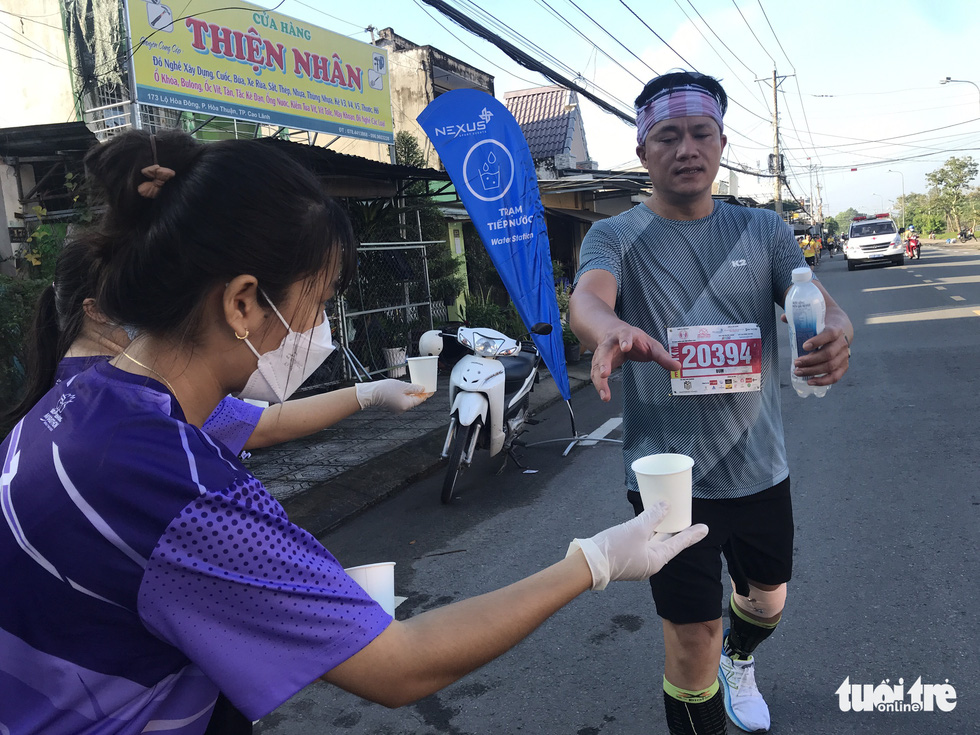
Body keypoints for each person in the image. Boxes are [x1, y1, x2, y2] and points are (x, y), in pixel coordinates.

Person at [0, 128, 708, 735]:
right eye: (320, 301)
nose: (321, 332)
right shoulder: (179, 489)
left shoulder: (85, 396)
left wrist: (367, 397)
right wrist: (593, 561)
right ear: (244, 302)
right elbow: (401, 664)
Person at [569, 71, 853, 735]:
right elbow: (588, 297)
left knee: (767, 603)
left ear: (722, 142)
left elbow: (814, 300)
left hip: (760, 469)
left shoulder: (765, 231)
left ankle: (741, 656)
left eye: (700, 133)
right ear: (644, 153)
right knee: (691, 633)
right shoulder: (615, 235)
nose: (686, 148)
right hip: (668, 477)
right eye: (668, 136)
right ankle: (712, 665)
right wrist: (606, 327)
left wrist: (836, 330)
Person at [1, 236, 429, 452]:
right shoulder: (136, 407)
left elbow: (258, 425)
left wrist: (368, 392)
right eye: (146, 298)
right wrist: (368, 393)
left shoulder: (78, 392)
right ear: (95, 310)